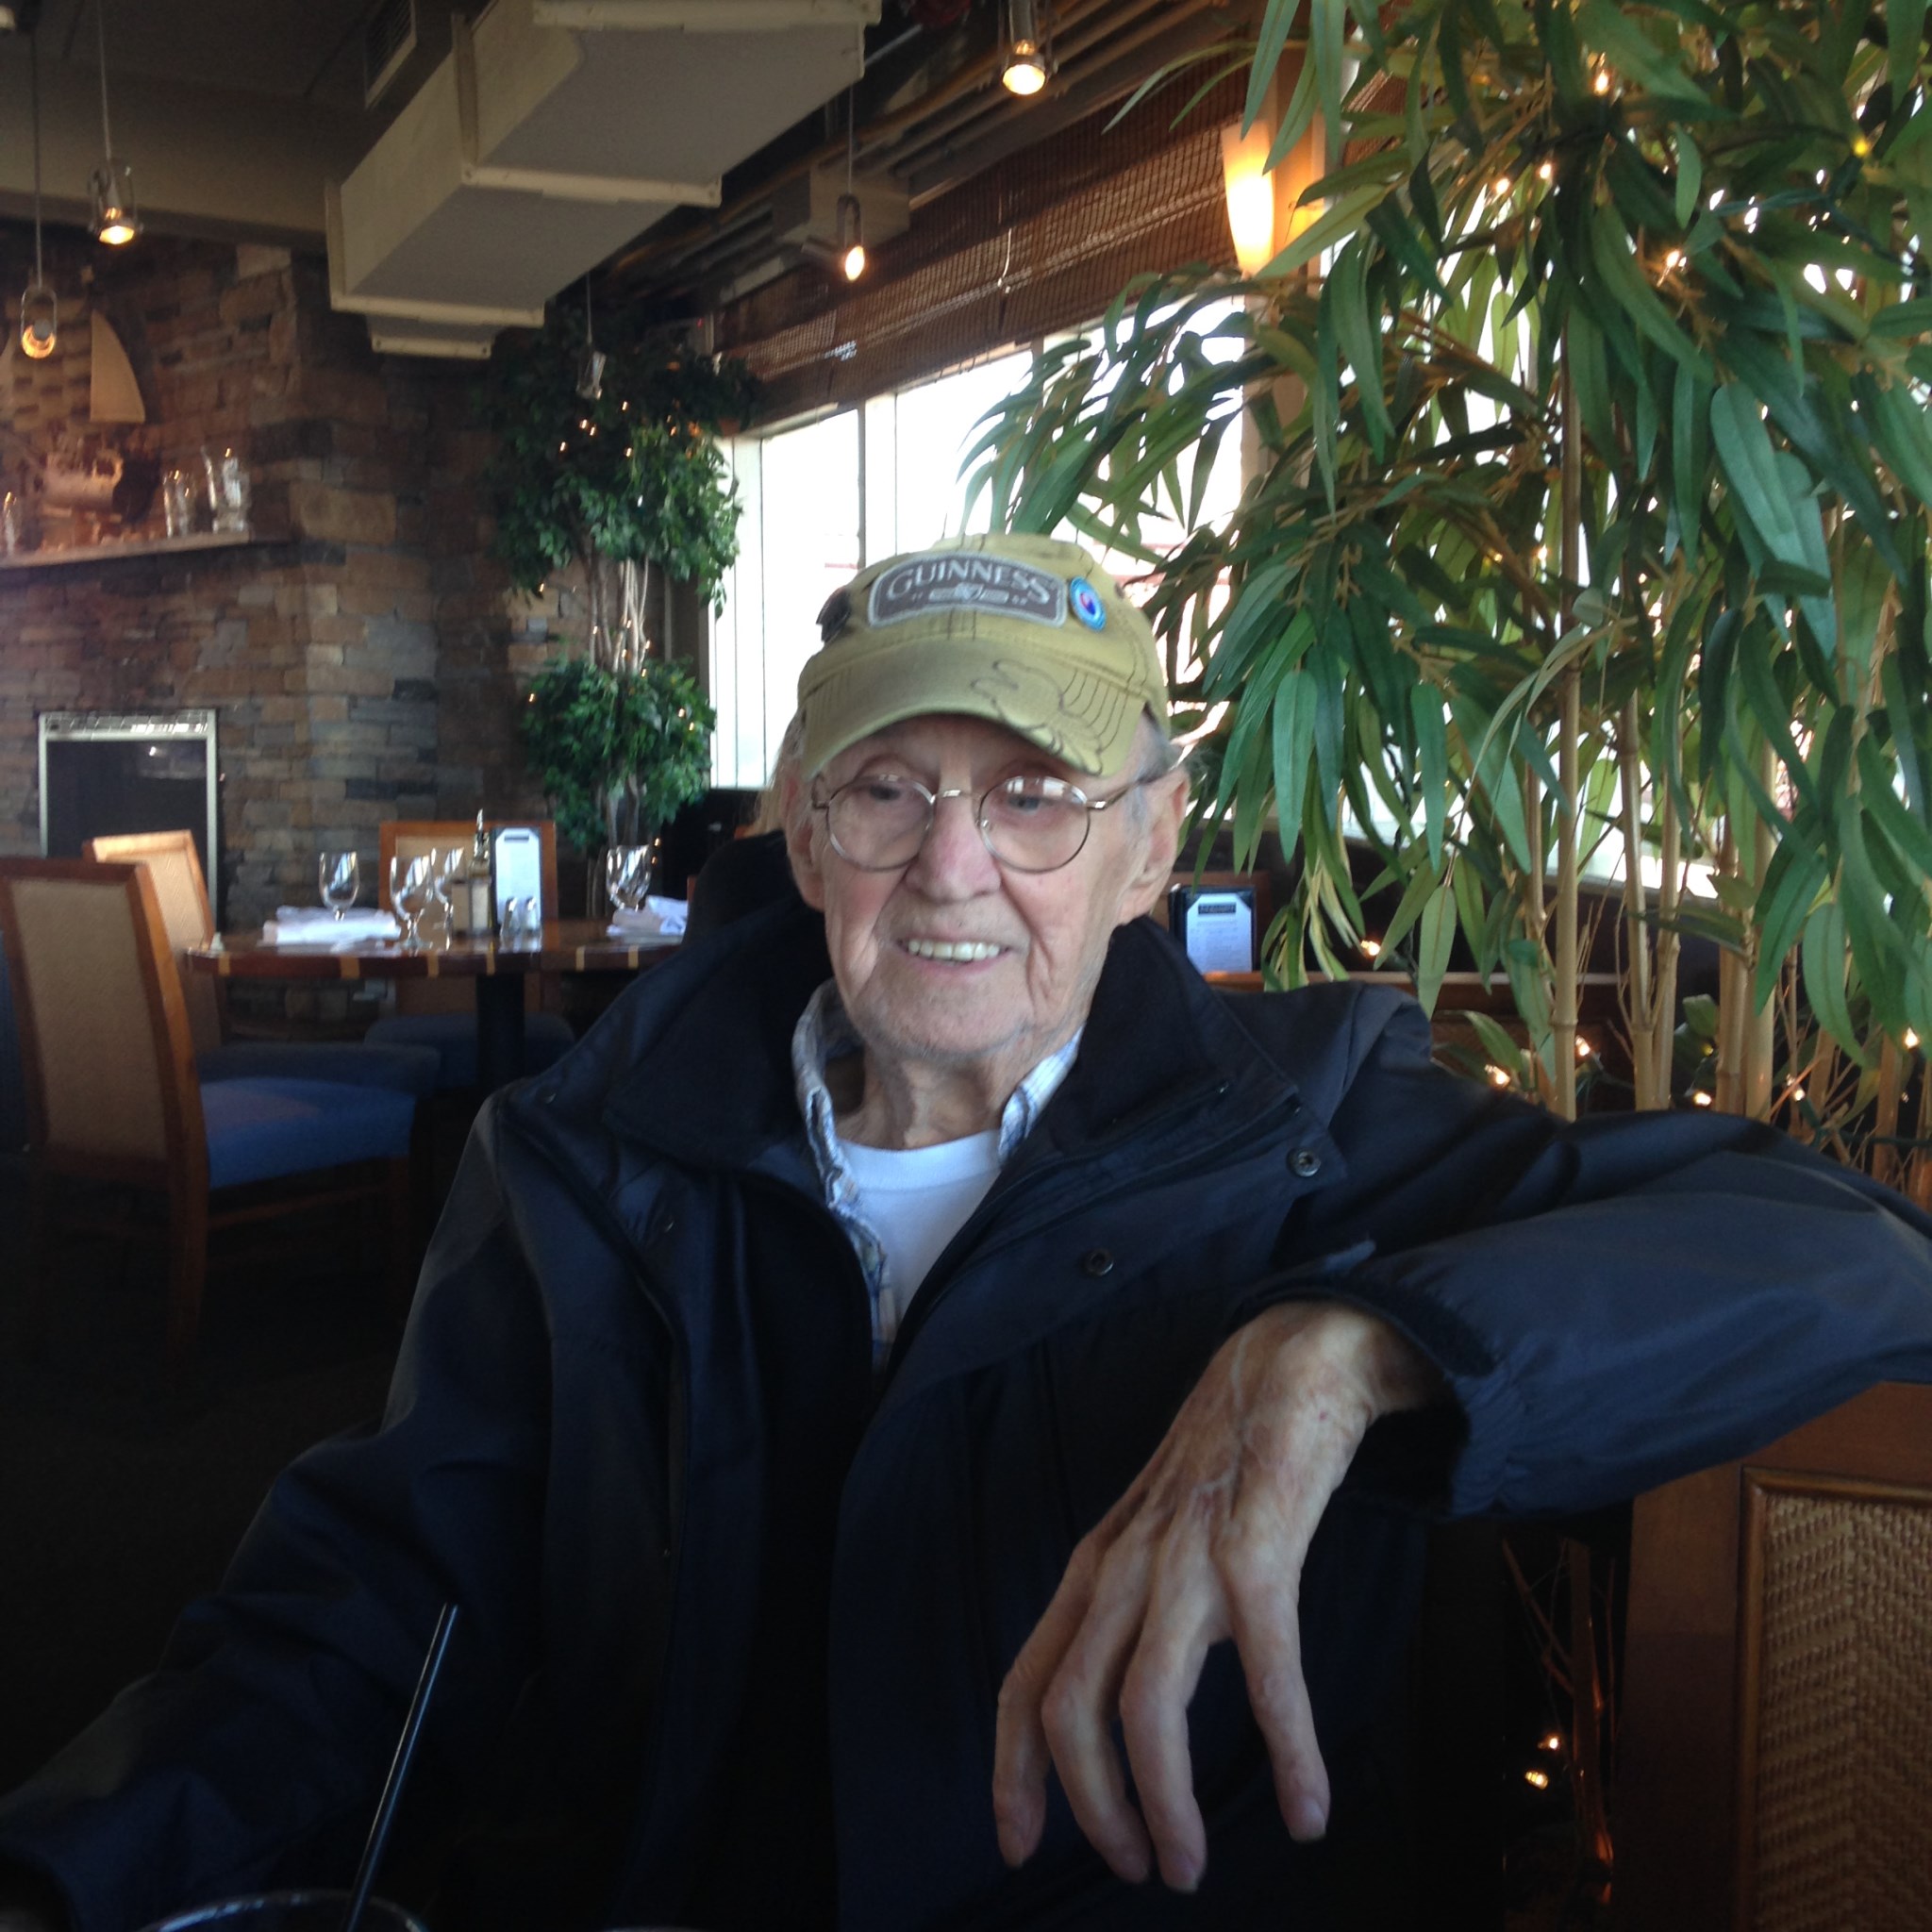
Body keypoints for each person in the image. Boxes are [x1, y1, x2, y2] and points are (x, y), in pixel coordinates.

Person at [4, 532, 1932, 1932]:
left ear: (1150, 843)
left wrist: (1358, 1341)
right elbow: (368, 1609)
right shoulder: (587, 1156)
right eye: (891, 792)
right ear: (802, 827)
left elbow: (1850, 1248)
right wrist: (67, 1878)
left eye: (1035, 800)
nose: (953, 869)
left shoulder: (1312, 1132)